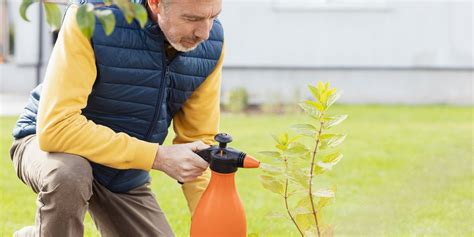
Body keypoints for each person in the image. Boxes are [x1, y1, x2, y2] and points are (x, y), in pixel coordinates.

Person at [9, 0, 224, 236]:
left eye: (213, 16)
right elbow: (57, 128)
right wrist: (158, 157)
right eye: (191, 19)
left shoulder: (211, 45)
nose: (204, 33)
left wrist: (211, 220)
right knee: (70, 175)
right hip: (50, 146)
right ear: (155, 3)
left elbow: (198, 142)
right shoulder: (92, 18)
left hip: (121, 172)